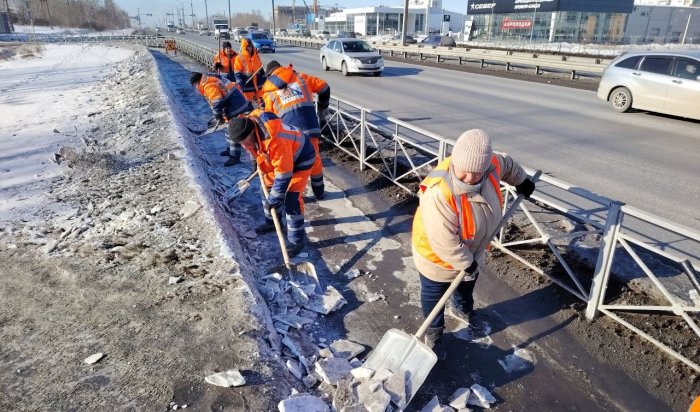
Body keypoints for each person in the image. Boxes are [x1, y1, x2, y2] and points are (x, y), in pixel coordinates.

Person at [411, 129, 536, 358]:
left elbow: (506, 164)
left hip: (472, 250)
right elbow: (444, 242)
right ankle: (434, 332)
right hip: (436, 257)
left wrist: (522, 180)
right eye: (464, 172)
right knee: (434, 294)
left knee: (466, 285)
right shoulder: (439, 193)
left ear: (486, 168)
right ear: (455, 161)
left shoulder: (490, 167)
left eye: (476, 173)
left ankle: (462, 308)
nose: (469, 178)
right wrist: (465, 262)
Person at [227, 111, 316, 256]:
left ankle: (296, 241)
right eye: (240, 143)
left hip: (301, 159)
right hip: (281, 160)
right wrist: (256, 164)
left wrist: (275, 199)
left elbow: (284, 174)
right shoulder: (248, 124)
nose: (243, 146)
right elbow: (256, 150)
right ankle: (273, 224)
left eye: (244, 142)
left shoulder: (275, 139)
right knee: (266, 190)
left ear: (251, 133)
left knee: (291, 200)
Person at [261, 60, 331, 199]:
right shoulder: (301, 77)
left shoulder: (268, 93)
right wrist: (322, 108)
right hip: (310, 127)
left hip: (291, 135)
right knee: (315, 159)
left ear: (269, 76)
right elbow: (324, 88)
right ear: (281, 68)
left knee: (292, 165)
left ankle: (294, 196)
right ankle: (319, 192)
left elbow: (270, 121)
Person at [189, 71, 253, 166]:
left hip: (235, 107)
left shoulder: (208, 85)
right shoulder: (210, 79)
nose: (196, 88)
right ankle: (230, 150)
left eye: (194, 86)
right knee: (227, 130)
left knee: (232, 130)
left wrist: (217, 115)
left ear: (196, 83)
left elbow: (217, 101)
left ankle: (234, 157)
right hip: (235, 104)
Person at [234, 38, 266, 105]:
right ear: (244, 47)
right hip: (248, 86)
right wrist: (240, 85)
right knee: (249, 105)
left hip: (259, 85)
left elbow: (261, 69)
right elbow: (237, 73)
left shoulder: (256, 56)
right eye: (248, 47)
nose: (249, 48)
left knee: (262, 104)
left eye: (251, 46)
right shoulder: (239, 58)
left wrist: (265, 80)